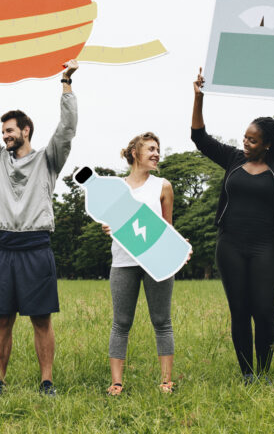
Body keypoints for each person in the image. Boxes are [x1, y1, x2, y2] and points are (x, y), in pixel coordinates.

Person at [190, 68, 274, 384]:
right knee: (240, 312)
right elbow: (200, 138)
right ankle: (247, 374)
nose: (246, 142)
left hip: (267, 248)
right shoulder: (233, 159)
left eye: (253, 139)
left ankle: (264, 371)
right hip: (230, 245)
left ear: (267, 145)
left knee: (263, 311)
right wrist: (198, 97)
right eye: (245, 137)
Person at [0, 60, 79, 397]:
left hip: (36, 246)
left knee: (41, 319)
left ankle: (47, 383)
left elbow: (67, 128)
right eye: (4, 133)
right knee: (2, 319)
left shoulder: (48, 159)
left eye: (10, 131)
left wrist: (66, 82)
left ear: (26, 130)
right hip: (3, 247)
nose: (4, 136)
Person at [101, 133, 178, 395]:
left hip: (157, 262)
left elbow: (168, 228)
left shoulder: (163, 186)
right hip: (123, 262)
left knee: (162, 321)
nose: (157, 153)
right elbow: (109, 220)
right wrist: (106, 226)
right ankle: (116, 383)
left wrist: (177, 248)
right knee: (121, 322)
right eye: (151, 149)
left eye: (158, 149)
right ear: (135, 152)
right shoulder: (115, 188)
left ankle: (166, 381)